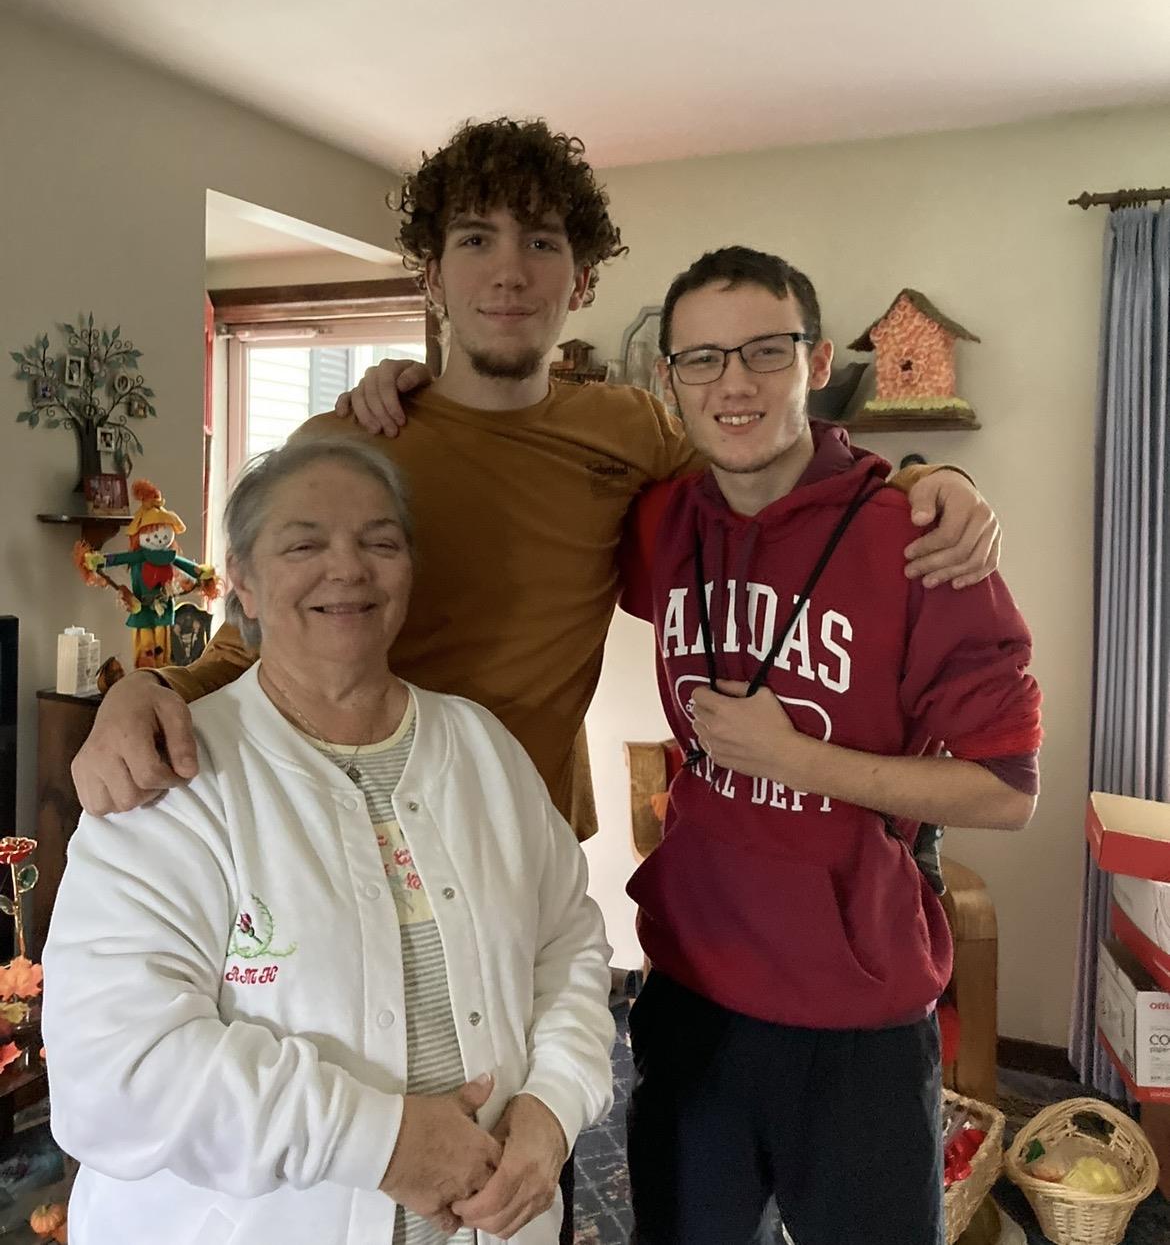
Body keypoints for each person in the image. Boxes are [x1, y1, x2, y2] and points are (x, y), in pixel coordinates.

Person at [68, 117, 1003, 1243]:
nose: (508, 270)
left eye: (542, 241)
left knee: (521, 1147)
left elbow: (767, 474)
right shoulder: (357, 437)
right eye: (474, 239)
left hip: (511, 850)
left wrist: (922, 475)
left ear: (583, 274)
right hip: (310, 848)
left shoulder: (631, 432)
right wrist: (139, 686)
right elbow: (263, 610)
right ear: (432, 271)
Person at [43, 437, 615, 1245]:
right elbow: (115, 1070)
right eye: (303, 543)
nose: (346, 569)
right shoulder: (170, 775)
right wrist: (379, 1141)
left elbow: (569, 949)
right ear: (239, 576)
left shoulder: (484, 749)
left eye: (380, 542)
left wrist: (554, 1104)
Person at [620, 247, 1042, 1245]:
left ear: (816, 362)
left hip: (856, 1020)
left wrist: (800, 761)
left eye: (766, 350)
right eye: (703, 359)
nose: (733, 382)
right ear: (669, 380)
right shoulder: (658, 523)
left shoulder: (920, 539)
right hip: (691, 995)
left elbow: (1005, 791)